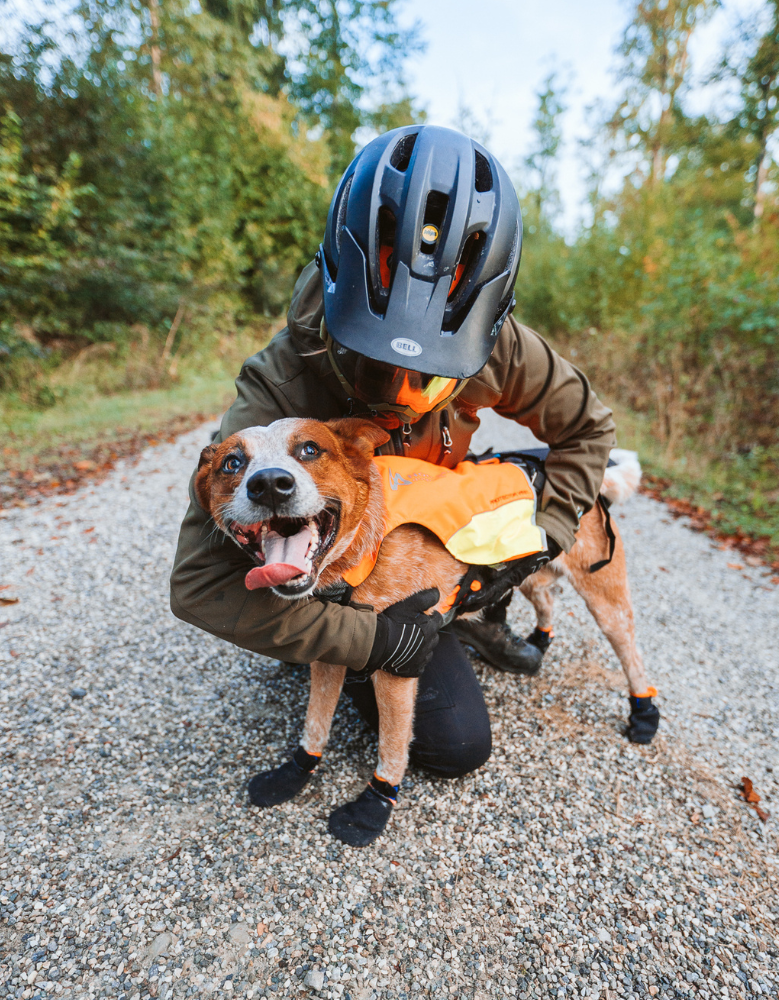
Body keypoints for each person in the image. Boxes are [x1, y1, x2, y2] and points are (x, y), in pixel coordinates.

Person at [170, 125, 615, 785]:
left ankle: (467, 613)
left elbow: (587, 429)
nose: (405, 396)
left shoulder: (499, 343)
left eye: (434, 372)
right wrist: (370, 640)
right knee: (448, 737)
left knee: (456, 737)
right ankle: (343, 624)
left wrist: (546, 532)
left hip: (425, 539)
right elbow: (200, 585)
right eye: (375, 366)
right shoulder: (282, 378)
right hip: (349, 563)